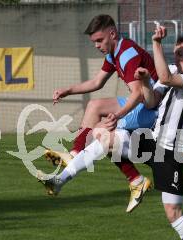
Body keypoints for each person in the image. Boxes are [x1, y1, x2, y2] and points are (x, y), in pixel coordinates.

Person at [38, 26, 183, 240]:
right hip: (152, 140)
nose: (177, 59)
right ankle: (60, 180)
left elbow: (165, 78)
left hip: (170, 152)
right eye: (175, 54)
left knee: (173, 213)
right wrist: (144, 80)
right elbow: (151, 100)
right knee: (105, 137)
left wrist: (155, 43)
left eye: (182, 54)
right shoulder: (175, 71)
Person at [45, 14, 158, 212]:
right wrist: (68, 90)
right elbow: (97, 83)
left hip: (153, 109)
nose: (97, 45)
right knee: (94, 107)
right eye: (94, 42)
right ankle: (75, 154)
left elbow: (139, 93)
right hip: (140, 102)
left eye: (100, 40)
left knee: (101, 133)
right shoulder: (114, 54)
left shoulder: (127, 54)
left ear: (112, 34)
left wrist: (119, 115)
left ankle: (135, 178)